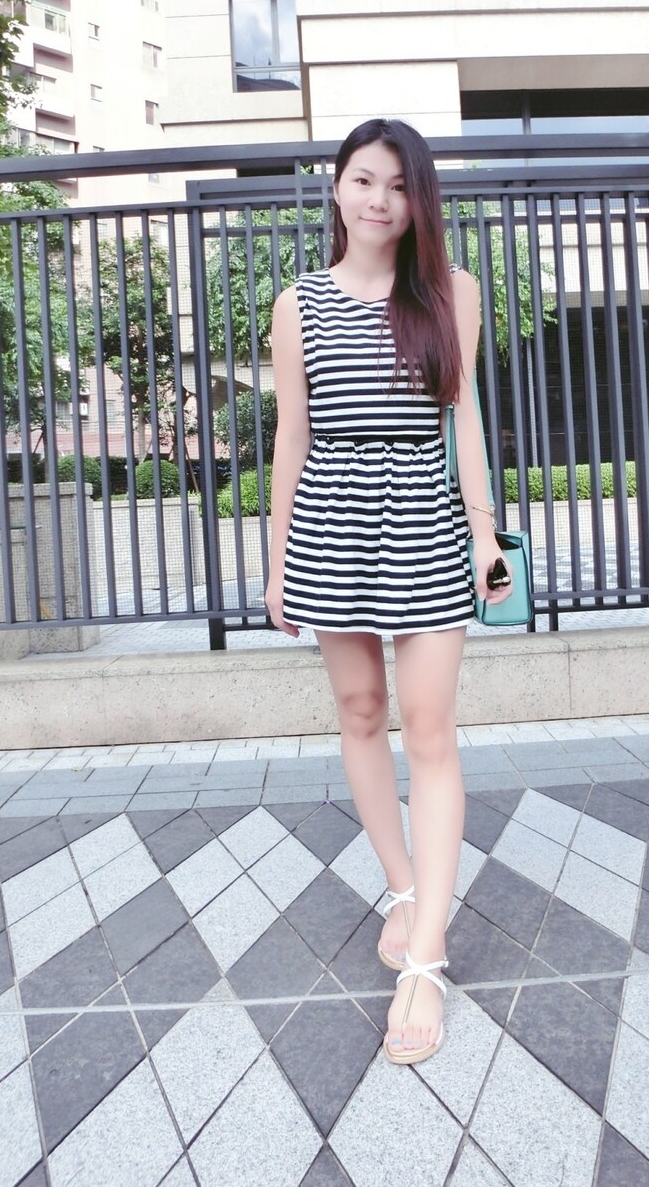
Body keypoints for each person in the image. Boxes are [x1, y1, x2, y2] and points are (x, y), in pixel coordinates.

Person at [264, 118, 512, 1065]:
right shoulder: (298, 304)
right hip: (331, 514)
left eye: (399, 185)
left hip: (422, 513)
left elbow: (464, 416)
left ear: (419, 201)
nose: (379, 199)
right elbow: (293, 434)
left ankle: (426, 960)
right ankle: (404, 889)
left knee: (430, 728)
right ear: (337, 187)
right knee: (362, 711)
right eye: (364, 179)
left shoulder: (451, 291)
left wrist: (483, 533)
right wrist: (278, 561)